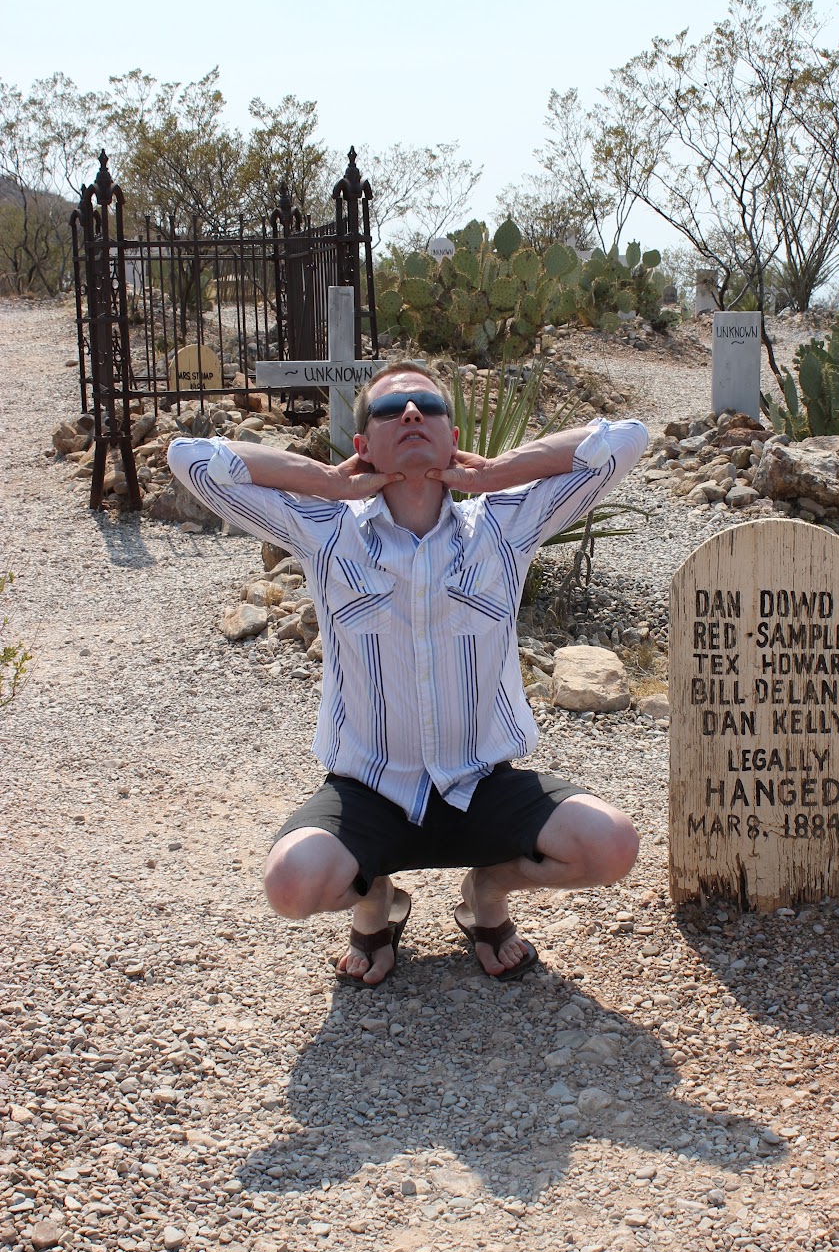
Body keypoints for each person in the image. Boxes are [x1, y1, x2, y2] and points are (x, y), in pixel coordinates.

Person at [168, 361, 649, 987]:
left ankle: (487, 893)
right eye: (391, 410)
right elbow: (193, 456)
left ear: (452, 438)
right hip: (371, 789)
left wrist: (503, 471)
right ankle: (376, 904)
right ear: (364, 444)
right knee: (291, 886)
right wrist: (325, 481)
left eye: (428, 404)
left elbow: (625, 439)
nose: (413, 413)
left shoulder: (503, 526)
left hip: (481, 785)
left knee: (611, 846)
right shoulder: (326, 533)